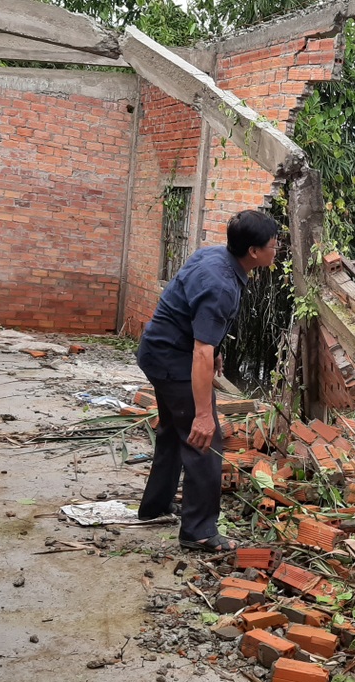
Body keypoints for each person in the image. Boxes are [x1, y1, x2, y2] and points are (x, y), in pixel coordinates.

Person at [136, 209, 281, 552]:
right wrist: (203, 414)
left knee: (173, 429)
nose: (278, 249)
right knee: (204, 439)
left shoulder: (215, 255)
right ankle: (199, 531)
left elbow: (195, 320)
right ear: (254, 252)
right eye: (274, 245)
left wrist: (214, 348)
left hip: (159, 350)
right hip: (173, 360)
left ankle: (155, 506)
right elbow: (200, 353)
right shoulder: (221, 285)